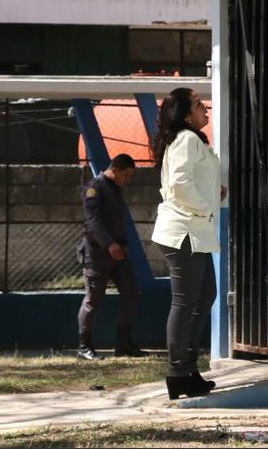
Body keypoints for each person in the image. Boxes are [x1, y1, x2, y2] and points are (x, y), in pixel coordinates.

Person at [151, 88, 226, 399]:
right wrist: (206, 206)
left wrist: (213, 191)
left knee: (204, 296)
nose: (205, 107)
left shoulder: (190, 140)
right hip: (184, 233)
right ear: (185, 115)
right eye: (198, 105)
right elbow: (180, 184)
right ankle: (178, 372)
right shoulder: (186, 138)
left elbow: (191, 179)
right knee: (185, 303)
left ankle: (188, 369)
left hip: (194, 233)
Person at [75, 153, 146, 360]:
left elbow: (117, 221)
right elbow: (93, 222)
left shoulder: (115, 189)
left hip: (118, 252)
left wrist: (122, 245)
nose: (127, 180)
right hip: (97, 252)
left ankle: (124, 344)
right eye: (126, 175)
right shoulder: (94, 189)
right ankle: (84, 347)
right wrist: (110, 244)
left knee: (131, 291)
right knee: (93, 298)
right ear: (115, 170)